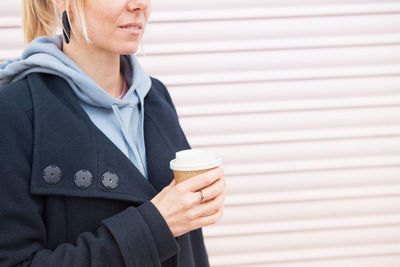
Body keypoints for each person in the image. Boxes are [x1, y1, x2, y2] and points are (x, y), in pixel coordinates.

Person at [0, 0, 226, 266]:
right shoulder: (15, 112)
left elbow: (192, 248)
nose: (139, 4)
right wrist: (156, 225)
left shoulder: (155, 96)